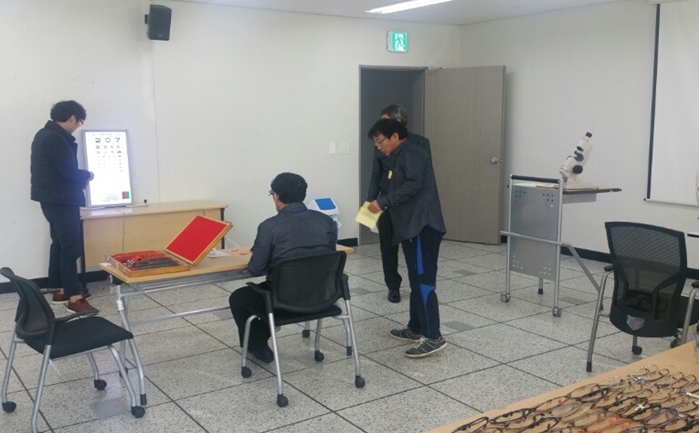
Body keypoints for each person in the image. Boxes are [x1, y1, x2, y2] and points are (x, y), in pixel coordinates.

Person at [229, 172, 337, 363]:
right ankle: (258, 342)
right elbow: (326, 256)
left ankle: (257, 345)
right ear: (303, 194)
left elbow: (255, 269)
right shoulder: (326, 221)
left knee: (239, 297)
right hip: (322, 297)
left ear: (276, 195)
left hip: (282, 302)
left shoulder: (269, 227)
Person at [367, 118, 447, 358]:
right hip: (411, 227)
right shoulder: (398, 156)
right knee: (415, 278)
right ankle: (416, 327)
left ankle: (433, 336)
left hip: (422, 226)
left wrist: (382, 202)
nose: (378, 147)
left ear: (394, 136)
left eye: (380, 141)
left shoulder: (412, 153)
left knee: (423, 281)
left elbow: (413, 185)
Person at [30, 100, 96, 313]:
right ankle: (74, 299)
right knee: (71, 248)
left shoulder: (44, 135)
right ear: (72, 118)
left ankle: (61, 290)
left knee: (59, 244)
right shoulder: (55, 139)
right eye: (79, 122)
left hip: (53, 199)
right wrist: (88, 175)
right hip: (62, 200)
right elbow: (68, 172)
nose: (77, 126)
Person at [366, 104, 431, 304]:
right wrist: (369, 202)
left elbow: (421, 179)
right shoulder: (380, 145)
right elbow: (376, 174)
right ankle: (393, 286)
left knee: (413, 247)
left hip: (411, 203)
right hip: (386, 200)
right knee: (387, 247)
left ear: (399, 123)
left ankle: (418, 285)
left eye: (385, 122)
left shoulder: (420, 144)